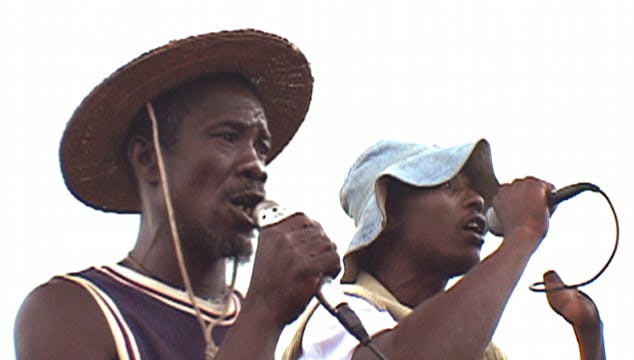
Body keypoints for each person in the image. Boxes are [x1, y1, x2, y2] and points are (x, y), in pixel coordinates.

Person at [14, 29, 340, 360]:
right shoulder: (70, 311)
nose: (256, 165)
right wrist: (264, 311)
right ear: (148, 159)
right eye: (228, 137)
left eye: (261, 146)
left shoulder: (274, 323)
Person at [283, 139, 605, 359]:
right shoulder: (338, 312)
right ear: (390, 211)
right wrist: (522, 235)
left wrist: (589, 335)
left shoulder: (480, 351)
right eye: (448, 186)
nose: (478, 200)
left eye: (475, 191)